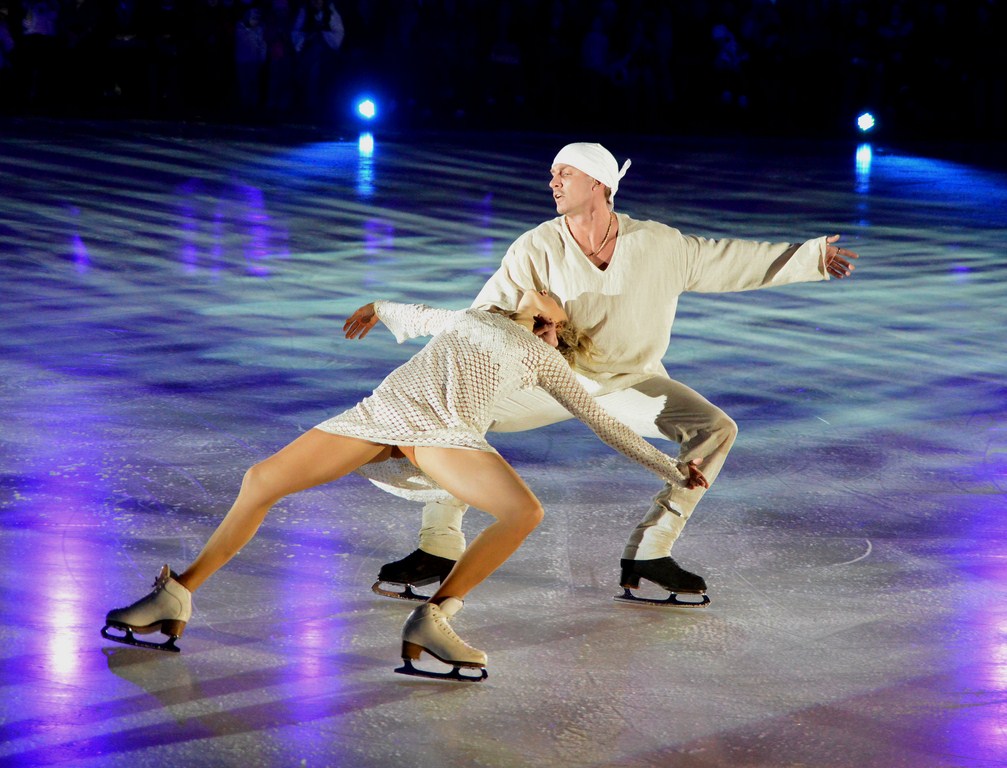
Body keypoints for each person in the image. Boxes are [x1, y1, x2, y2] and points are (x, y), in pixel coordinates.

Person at [102, 290, 703, 681]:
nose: (542, 291)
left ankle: (436, 617)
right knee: (260, 479)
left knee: (523, 512)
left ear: (555, 325)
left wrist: (672, 469)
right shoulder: (476, 316)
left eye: (553, 305)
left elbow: (602, 420)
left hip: (443, 431)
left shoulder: (544, 357)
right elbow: (420, 317)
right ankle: (177, 594)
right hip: (383, 412)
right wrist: (379, 307)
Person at [375, 142, 859, 607]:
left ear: (599, 183)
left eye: (564, 173)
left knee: (715, 429)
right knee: (457, 411)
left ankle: (650, 552)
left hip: (629, 382)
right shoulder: (536, 247)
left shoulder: (657, 244)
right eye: (552, 174)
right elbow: (486, 315)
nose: (552, 182)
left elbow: (727, 259)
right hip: (550, 380)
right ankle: (439, 545)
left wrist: (809, 257)